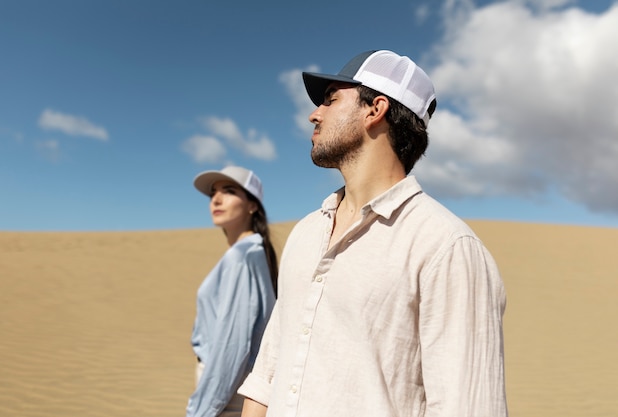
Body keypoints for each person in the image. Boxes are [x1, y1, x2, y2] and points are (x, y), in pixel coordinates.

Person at [238, 50, 508, 417]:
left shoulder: (446, 247)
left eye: (331, 100)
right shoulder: (305, 233)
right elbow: (269, 371)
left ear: (375, 109)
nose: (314, 114)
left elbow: (469, 406)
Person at [186, 165, 278, 417]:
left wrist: (201, 410)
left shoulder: (242, 256)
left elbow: (232, 345)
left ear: (252, 205)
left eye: (229, 191)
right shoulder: (253, 252)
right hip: (229, 388)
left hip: (225, 391)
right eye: (213, 193)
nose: (216, 199)